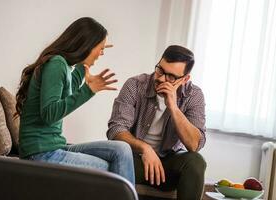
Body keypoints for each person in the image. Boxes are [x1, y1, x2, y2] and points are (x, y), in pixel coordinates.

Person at [15, 17, 135, 185]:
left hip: (54, 147)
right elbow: (49, 113)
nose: (102, 53)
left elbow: (69, 83)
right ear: (86, 45)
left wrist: (85, 64)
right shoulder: (56, 63)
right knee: (111, 170)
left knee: (122, 149)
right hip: (41, 153)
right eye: (100, 48)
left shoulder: (62, 64)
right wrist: (88, 90)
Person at [107, 45, 206, 199]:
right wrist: (145, 148)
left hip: (167, 164)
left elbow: (194, 144)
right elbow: (116, 129)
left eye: (171, 77)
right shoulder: (135, 85)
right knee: (114, 157)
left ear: (185, 79)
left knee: (196, 161)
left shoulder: (194, 95)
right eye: (160, 69)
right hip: (135, 161)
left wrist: (173, 106)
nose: (160, 78)